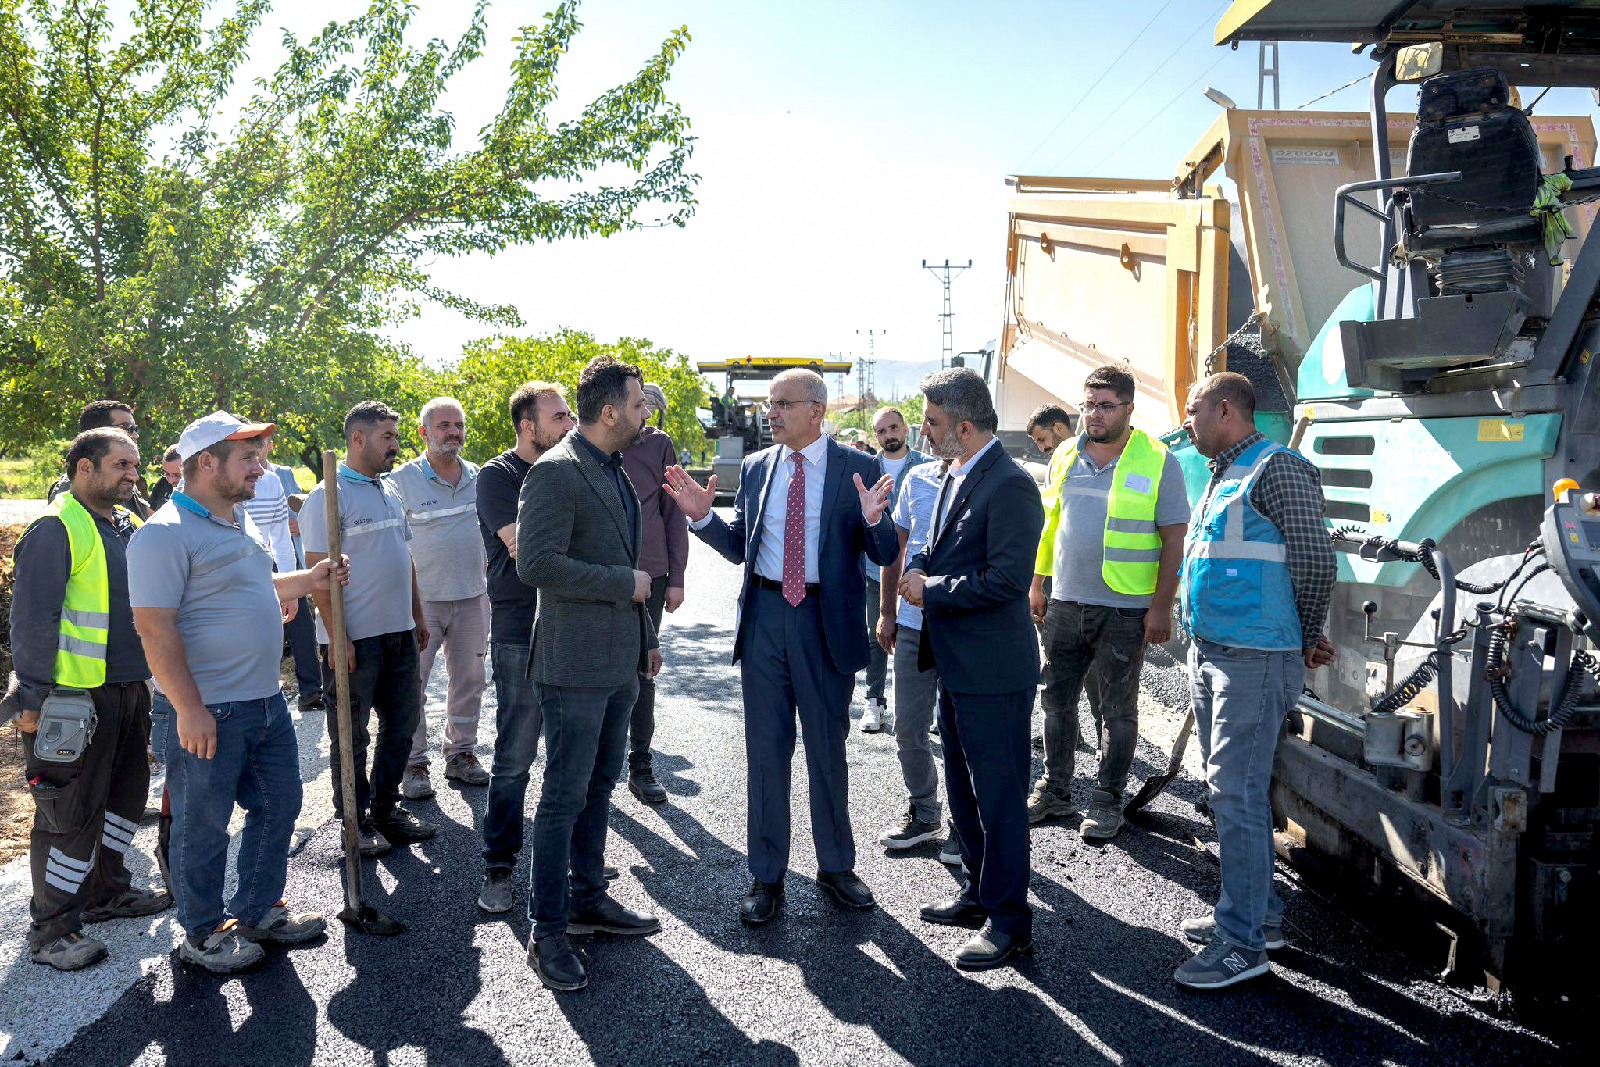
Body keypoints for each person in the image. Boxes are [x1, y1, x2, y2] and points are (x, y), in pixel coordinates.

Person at [664, 369, 897, 928]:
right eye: (769, 405)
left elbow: (886, 550)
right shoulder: (756, 466)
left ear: (816, 410)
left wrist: (874, 523)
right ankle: (766, 875)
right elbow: (741, 547)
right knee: (767, 753)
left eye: (782, 404)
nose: (771, 414)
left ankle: (836, 866)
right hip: (767, 617)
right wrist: (701, 517)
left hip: (824, 620)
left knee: (826, 749)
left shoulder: (859, 468)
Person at [129, 412, 343, 974]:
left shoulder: (234, 520)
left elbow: (251, 585)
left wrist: (309, 580)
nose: (261, 467)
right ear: (208, 463)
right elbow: (155, 627)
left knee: (280, 806)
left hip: (265, 702)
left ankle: (254, 911)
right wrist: (189, 708)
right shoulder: (164, 533)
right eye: (248, 458)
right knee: (203, 825)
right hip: (210, 710)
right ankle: (200, 932)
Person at [1173, 372, 1336, 989]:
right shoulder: (1224, 471)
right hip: (1217, 648)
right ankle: (1258, 917)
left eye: (1192, 413)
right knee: (1236, 791)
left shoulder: (1278, 469)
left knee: (1233, 792)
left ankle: (1241, 944)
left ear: (1224, 411)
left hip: (1255, 656)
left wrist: (1306, 632)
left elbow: (1316, 559)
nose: (1186, 424)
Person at [516, 356, 662, 992]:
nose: (644, 414)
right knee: (563, 797)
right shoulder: (556, 473)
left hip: (617, 662)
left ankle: (587, 897)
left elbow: (631, 567)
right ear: (610, 411)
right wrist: (621, 586)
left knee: (599, 785)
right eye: (637, 405)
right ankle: (547, 928)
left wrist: (646, 640)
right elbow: (536, 565)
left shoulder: (612, 466)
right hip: (572, 667)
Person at [10, 427, 170, 971]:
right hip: (71, 703)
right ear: (84, 468)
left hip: (129, 691)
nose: (133, 474)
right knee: (68, 815)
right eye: (121, 465)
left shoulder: (128, 525)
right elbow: (33, 621)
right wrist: (30, 700)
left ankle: (107, 892)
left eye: (136, 465)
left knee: (124, 800)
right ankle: (52, 929)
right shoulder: (56, 529)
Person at [899, 367, 1043, 972]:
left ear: (962, 425)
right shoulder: (955, 473)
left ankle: (1011, 921)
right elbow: (940, 544)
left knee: (999, 798)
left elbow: (1006, 580)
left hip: (992, 670)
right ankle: (979, 894)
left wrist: (930, 588)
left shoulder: (1009, 485)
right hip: (956, 666)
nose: (924, 433)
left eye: (932, 423)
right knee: (963, 789)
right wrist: (921, 565)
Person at [1026, 365, 1188, 841]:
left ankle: (1107, 799)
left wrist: (1162, 607)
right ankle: (1056, 790)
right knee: (1055, 701)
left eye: (1105, 405)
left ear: (1129, 408)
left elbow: (1173, 540)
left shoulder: (1158, 460)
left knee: (1118, 710)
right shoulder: (1064, 458)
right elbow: (1050, 525)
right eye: (1088, 404)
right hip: (1065, 602)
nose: (1094, 415)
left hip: (1125, 609)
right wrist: (1038, 583)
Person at [300, 401, 436, 857]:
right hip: (355, 639)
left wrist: (416, 614)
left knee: (403, 723)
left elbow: (405, 557)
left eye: (396, 437)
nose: (396, 446)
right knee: (350, 733)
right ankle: (353, 821)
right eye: (387, 437)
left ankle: (384, 808)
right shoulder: (328, 495)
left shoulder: (390, 489)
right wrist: (338, 637)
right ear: (357, 439)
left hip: (398, 632)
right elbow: (317, 572)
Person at [475, 382, 576, 914]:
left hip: (572, 631)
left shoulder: (576, 470)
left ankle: (566, 863)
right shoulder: (497, 477)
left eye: (570, 415)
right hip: (519, 632)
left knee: (570, 755)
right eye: (558, 417)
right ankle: (499, 865)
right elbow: (527, 550)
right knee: (515, 756)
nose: (569, 425)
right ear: (527, 426)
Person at [391, 397, 492, 799]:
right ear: (424, 433)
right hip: (421, 602)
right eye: (444, 425)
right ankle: (414, 763)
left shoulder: (479, 476)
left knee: (470, 680)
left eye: (459, 425)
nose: (453, 432)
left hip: (473, 597)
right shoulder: (400, 481)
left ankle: (461, 753)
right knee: (412, 683)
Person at [874, 454, 956, 855]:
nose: (926, 428)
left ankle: (966, 825)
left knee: (963, 735)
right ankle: (925, 813)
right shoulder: (917, 479)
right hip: (911, 624)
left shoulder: (991, 479)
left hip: (963, 628)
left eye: (933, 419)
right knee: (908, 728)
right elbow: (897, 551)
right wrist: (888, 611)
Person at [618, 381, 689, 804]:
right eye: (637, 404)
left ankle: (640, 765)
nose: (645, 413)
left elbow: (673, 512)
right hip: (601, 575)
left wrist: (676, 576)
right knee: (603, 672)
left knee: (644, 668)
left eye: (646, 405)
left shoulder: (659, 445)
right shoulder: (588, 442)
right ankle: (594, 768)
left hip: (653, 575)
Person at [858, 407, 933, 733]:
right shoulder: (866, 467)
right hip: (876, 568)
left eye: (893, 428)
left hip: (919, 569)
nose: (888, 435)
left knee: (924, 636)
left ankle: (931, 708)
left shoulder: (927, 467)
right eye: (881, 431)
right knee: (877, 635)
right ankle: (874, 702)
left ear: (905, 429)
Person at [266, 447, 325, 713]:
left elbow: (303, 508)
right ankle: (268, 693)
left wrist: (301, 523)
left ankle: (311, 691)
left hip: (286, 558)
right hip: (256, 562)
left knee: (301, 624)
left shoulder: (282, 474)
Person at [48, 401, 151, 519]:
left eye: (135, 428)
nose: (135, 435)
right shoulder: (73, 488)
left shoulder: (123, 479)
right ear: (97, 432)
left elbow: (148, 517)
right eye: (127, 428)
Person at [149, 446, 182, 511]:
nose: (170, 481)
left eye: (177, 475)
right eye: (167, 474)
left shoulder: (198, 492)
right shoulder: (162, 483)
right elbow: (151, 510)